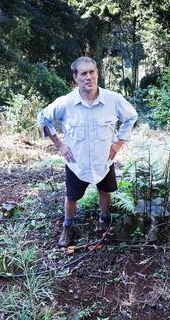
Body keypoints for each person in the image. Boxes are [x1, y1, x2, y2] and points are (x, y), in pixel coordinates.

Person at [37, 57, 138, 247]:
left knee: (105, 191)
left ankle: (104, 219)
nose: (89, 77)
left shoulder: (113, 99)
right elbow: (43, 118)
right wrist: (59, 144)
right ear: (75, 77)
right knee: (72, 197)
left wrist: (117, 144)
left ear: (97, 73)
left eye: (92, 72)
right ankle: (68, 227)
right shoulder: (66, 103)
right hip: (77, 163)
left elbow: (131, 117)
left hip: (104, 160)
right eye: (83, 73)